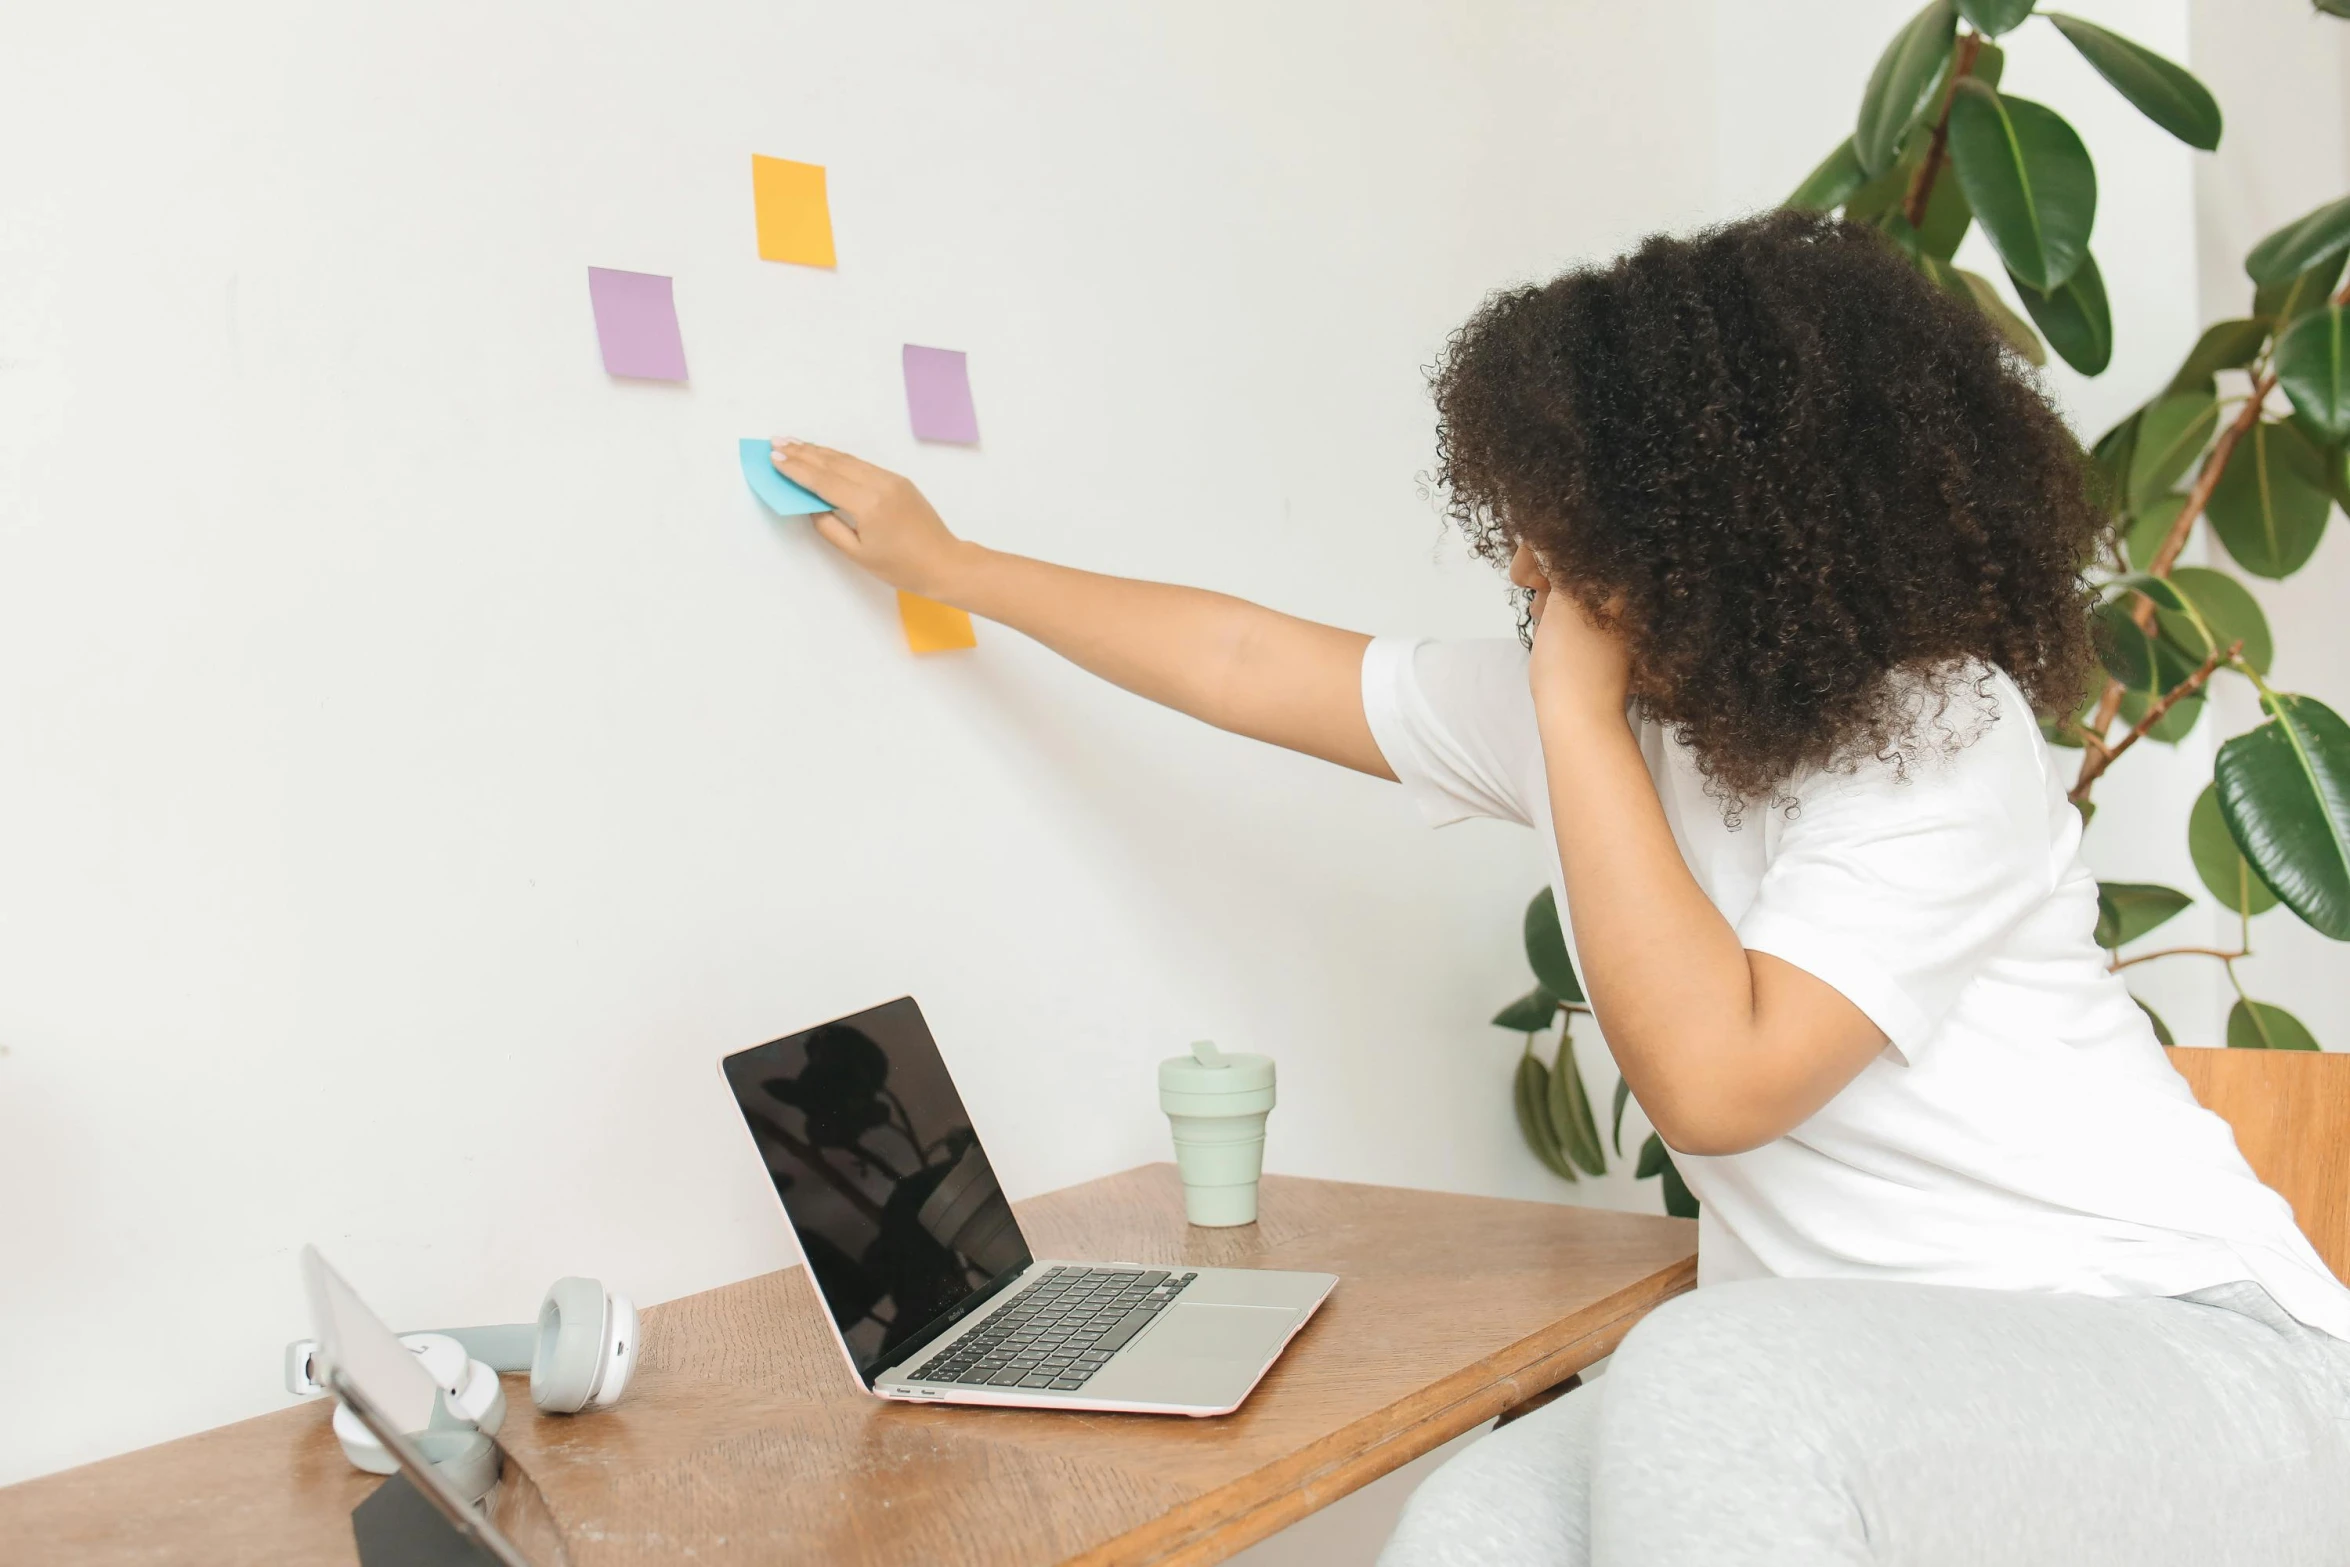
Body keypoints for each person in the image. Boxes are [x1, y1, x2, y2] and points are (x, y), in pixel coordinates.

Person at [767, 210, 2350, 1564]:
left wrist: (1572, 709)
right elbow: (1253, 659)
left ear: (1721, 526)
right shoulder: (1622, 724)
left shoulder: (1935, 734)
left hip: (2194, 1374)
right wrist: (950, 563)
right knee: (1475, 1534)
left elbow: (1719, 1079)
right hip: (1848, 1380)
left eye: (1562, 522)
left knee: (1703, 1370)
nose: (1522, 562)